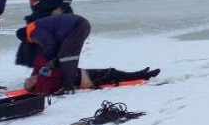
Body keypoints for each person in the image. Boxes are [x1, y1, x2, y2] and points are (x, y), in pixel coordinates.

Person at [15, 39, 160, 95]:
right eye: (29, 81)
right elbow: (44, 90)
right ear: (33, 85)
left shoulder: (37, 73)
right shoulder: (43, 84)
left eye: (29, 78)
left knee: (113, 72)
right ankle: (142, 75)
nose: (30, 78)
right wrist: (39, 79)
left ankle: (140, 73)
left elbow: (40, 61)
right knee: (112, 74)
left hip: (81, 73)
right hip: (84, 80)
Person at [18, 13, 91, 95]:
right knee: (65, 56)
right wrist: (52, 62)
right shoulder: (35, 27)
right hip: (77, 25)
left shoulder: (33, 31)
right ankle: (68, 85)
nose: (29, 79)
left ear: (27, 39)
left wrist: (50, 60)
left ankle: (68, 88)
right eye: (30, 82)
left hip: (77, 26)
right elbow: (53, 43)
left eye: (28, 80)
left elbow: (50, 43)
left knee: (67, 57)